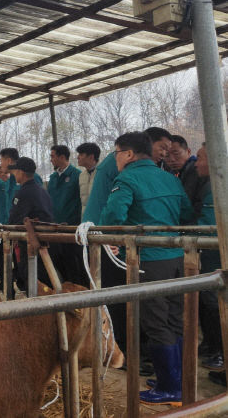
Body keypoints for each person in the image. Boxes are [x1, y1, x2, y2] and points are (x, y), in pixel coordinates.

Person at [99, 132, 193, 405]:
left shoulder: (127, 178)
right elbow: (186, 214)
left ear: (128, 154)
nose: (115, 157)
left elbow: (114, 216)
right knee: (175, 319)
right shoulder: (168, 177)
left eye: (116, 152)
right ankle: (177, 378)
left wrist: (112, 235)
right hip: (178, 258)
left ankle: (169, 387)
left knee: (155, 322)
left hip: (149, 260)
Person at [190, 144, 224, 385]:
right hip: (215, 254)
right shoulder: (210, 184)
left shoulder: (216, 187)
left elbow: (210, 228)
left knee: (215, 303)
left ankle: (221, 355)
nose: (196, 163)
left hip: (215, 256)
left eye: (200, 158)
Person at [6, 157, 54, 293]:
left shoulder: (23, 193)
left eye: (15, 171)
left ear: (21, 172)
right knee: (44, 277)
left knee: (30, 276)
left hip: (31, 243)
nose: (14, 174)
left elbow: (15, 219)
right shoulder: (42, 191)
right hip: (47, 241)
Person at [48, 145, 86, 286]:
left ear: (62, 157)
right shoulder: (52, 178)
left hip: (72, 228)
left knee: (75, 262)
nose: (51, 159)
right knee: (58, 260)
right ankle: (66, 288)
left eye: (53, 156)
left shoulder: (77, 175)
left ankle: (80, 289)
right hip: (55, 228)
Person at [168, 135, 202, 211]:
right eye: (167, 155)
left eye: (176, 153)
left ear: (188, 152)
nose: (172, 159)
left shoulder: (195, 169)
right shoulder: (174, 173)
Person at [76, 142, 100, 218]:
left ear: (91, 157)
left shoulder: (103, 174)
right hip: (85, 219)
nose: (78, 157)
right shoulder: (81, 175)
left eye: (81, 154)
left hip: (100, 220)